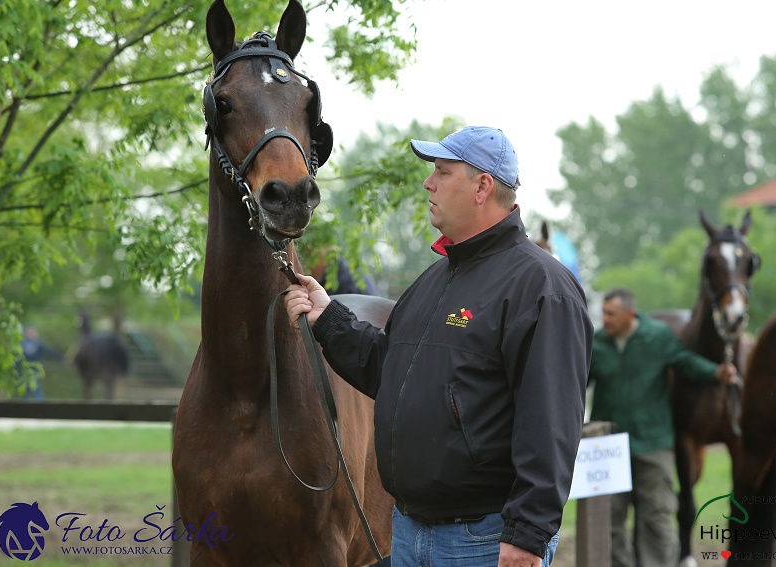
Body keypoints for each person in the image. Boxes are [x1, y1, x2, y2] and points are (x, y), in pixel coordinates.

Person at [285, 125, 593, 567]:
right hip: (408, 533)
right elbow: (388, 371)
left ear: (482, 186)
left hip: (484, 541)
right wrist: (327, 317)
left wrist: (527, 535)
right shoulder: (433, 281)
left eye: (443, 172)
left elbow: (552, 421)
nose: (428, 183)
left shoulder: (541, 287)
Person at [587, 288, 737, 567]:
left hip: (653, 443)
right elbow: (576, 383)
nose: (604, 319)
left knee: (656, 517)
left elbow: (685, 363)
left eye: (611, 314)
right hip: (608, 448)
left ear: (630, 314)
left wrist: (716, 373)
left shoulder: (658, 336)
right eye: (604, 313)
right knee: (610, 519)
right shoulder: (596, 344)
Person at [16, 325, 61, 400]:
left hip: (35, 371)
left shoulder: (37, 343)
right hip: (23, 371)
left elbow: (49, 352)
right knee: (24, 392)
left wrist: (60, 358)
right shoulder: (21, 343)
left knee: (35, 390)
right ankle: (20, 409)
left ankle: (39, 408)